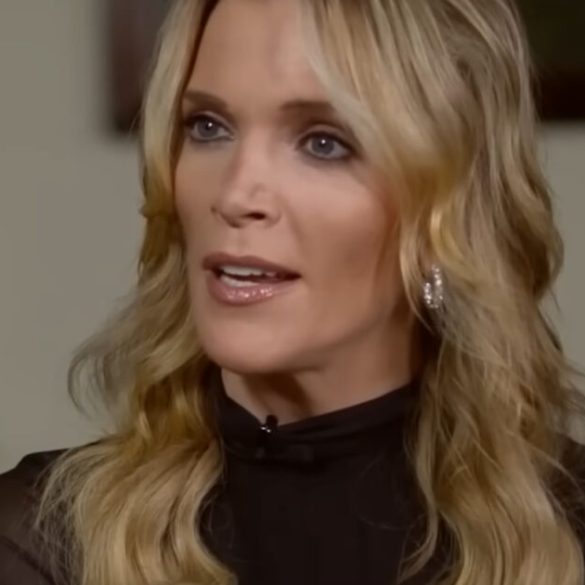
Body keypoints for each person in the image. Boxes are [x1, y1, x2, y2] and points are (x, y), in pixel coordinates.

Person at [1, 0, 585, 584]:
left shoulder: (568, 528)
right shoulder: (44, 542)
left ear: (449, 209)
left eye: (324, 142)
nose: (235, 195)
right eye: (208, 127)